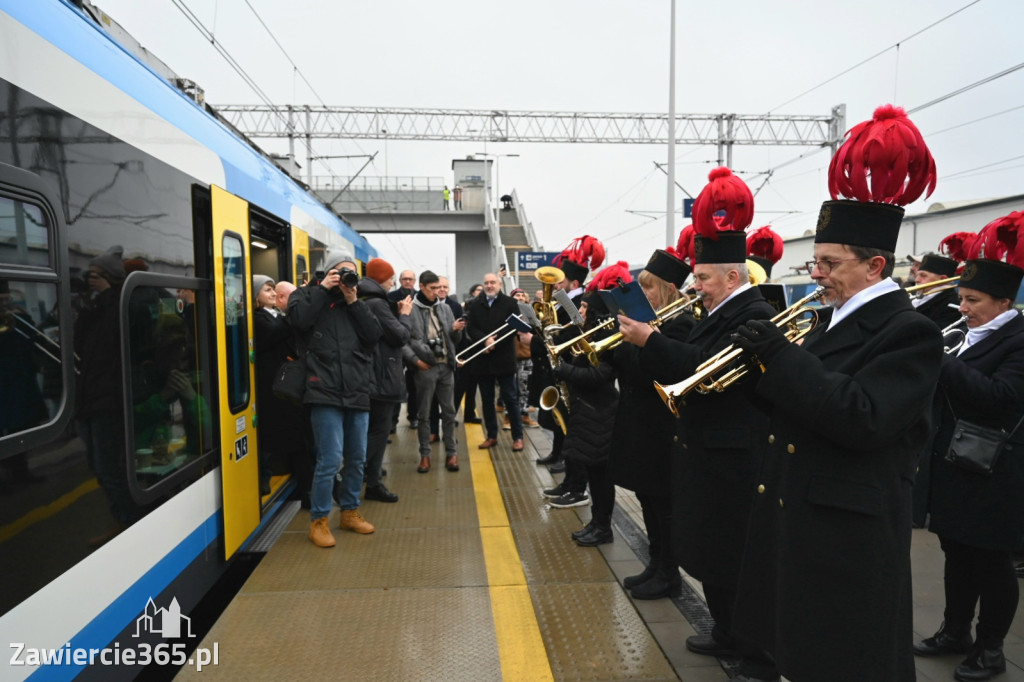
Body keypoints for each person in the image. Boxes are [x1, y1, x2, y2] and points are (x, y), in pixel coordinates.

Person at [729, 105, 943, 682]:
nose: (817, 273)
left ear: (875, 266)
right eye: (816, 261)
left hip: (849, 533)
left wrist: (780, 358)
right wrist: (755, 371)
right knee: (807, 651)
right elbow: (799, 403)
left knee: (849, 656)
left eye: (829, 262)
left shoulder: (910, 331)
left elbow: (863, 416)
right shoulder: (835, 318)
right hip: (805, 516)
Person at [620, 169, 777, 679]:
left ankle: (758, 652)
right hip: (708, 447)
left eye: (704, 279)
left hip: (735, 451)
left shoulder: (750, 310)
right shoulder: (719, 308)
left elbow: (705, 367)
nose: (697, 287)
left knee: (737, 558)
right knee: (714, 552)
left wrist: (650, 342)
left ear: (732, 277)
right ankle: (727, 630)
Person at [914, 212, 1024, 682]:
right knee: (956, 553)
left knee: (992, 561)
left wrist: (941, 361)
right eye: (960, 297)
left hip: (995, 470)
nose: (963, 307)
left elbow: (1001, 399)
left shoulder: (1018, 340)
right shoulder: (965, 334)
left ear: (1004, 301)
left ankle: (991, 648)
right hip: (954, 463)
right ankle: (954, 631)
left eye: (973, 300)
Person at [608, 248, 695, 599]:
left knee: (664, 506)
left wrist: (645, 340)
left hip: (662, 429)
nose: (644, 296)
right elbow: (621, 362)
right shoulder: (648, 325)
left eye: (650, 289)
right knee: (647, 500)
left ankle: (669, 574)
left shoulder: (682, 323)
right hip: (638, 424)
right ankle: (655, 563)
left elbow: (656, 372)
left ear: (669, 290)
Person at [288, 249, 382, 548]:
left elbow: (373, 335)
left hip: (357, 389)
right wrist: (322, 290)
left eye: (349, 272)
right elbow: (299, 322)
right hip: (322, 389)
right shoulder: (306, 296)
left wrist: (353, 301)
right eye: (339, 271)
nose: (345, 277)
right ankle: (319, 520)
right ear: (327, 272)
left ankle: (350, 512)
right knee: (329, 460)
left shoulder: (357, 301)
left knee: (356, 458)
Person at [76, 245, 143, 546]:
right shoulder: (93, 307)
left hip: (108, 400)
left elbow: (118, 337)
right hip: (90, 398)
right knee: (97, 466)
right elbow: (79, 340)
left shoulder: (120, 303)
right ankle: (121, 520)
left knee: (109, 467)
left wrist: (104, 295)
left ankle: (129, 524)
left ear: (111, 278)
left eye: (97, 275)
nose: (90, 280)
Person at [357, 258, 412, 503]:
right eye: (391, 278)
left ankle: (371, 475)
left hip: (368, 375)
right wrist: (404, 315)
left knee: (370, 430)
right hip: (381, 376)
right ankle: (366, 480)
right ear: (381, 279)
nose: (393, 282)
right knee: (378, 432)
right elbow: (400, 336)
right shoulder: (378, 304)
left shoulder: (363, 298)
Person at [403, 270, 465, 473]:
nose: (437, 292)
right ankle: (425, 456)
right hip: (425, 367)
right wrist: (417, 361)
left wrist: (456, 331)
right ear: (421, 287)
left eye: (439, 288)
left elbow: (453, 341)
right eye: (433, 289)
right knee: (424, 414)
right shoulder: (410, 309)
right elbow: (406, 340)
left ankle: (452, 454)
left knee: (449, 412)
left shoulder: (445, 308)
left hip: (446, 366)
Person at [465, 272, 524, 452]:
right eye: (486, 283)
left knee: (511, 399)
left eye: (493, 282)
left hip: (504, 357)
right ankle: (491, 436)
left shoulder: (510, 303)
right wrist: (485, 340)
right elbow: (471, 328)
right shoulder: (475, 304)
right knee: (487, 400)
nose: (489, 285)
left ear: (499, 284)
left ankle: (518, 437)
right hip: (483, 359)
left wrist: (495, 342)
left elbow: (515, 327)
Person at [428, 276, 464, 441]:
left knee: (448, 400)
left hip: (449, 359)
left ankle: (448, 435)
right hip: (430, 359)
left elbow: (460, 337)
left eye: (445, 287)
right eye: (439, 286)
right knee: (431, 399)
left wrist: (456, 330)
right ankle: (433, 431)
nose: (442, 289)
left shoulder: (455, 306)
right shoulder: (425, 305)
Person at [389, 270, 418, 429]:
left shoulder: (419, 297)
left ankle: (413, 417)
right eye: (405, 279)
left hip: (414, 346)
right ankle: (392, 421)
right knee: (396, 384)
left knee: (414, 385)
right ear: (400, 280)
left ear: (415, 280)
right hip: (396, 344)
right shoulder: (391, 298)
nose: (407, 281)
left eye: (410, 279)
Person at [454, 283, 484, 424]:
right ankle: (452, 415)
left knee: (472, 387)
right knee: (460, 387)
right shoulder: (465, 315)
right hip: (465, 354)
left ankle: (469, 414)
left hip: (477, 355)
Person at [509, 288, 539, 428]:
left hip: (526, 355)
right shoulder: (508, 311)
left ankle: (524, 415)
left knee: (526, 387)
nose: (520, 297)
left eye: (522, 295)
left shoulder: (529, 312)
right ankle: (509, 417)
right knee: (510, 389)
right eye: (517, 295)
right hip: (511, 355)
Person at [912, 252, 963, 328]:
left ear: (943, 279)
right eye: (917, 275)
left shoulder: (952, 305)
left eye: (923, 275)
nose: (917, 280)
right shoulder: (917, 298)